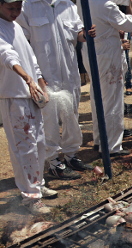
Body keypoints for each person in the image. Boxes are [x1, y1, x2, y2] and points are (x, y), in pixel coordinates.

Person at [17, 0, 95, 180]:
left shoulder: (67, 5)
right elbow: (24, 45)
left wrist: (86, 34)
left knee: (72, 114)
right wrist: (36, 77)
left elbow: (77, 34)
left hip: (69, 73)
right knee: (48, 120)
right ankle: (53, 162)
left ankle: (71, 155)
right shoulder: (28, 6)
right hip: (44, 75)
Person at [0, 0, 54, 215]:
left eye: (18, 8)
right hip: (13, 95)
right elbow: (7, 56)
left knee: (39, 142)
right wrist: (27, 78)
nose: (15, 12)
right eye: (10, 8)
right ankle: (30, 196)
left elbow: (30, 57)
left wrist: (39, 81)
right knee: (24, 146)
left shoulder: (17, 27)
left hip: (31, 93)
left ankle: (37, 184)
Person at [80, 0, 132, 157]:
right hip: (107, 56)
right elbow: (128, 24)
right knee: (113, 100)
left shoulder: (84, 3)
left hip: (93, 52)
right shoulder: (105, 5)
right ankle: (112, 146)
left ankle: (100, 139)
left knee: (98, 97)